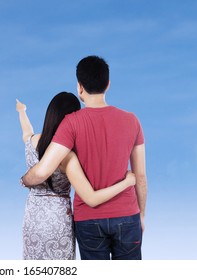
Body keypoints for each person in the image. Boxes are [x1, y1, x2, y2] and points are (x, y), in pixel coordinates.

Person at [20, 56, 148, 260]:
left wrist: (25, 179)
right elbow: (140, 177)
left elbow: (43, 171)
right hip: (127, 215)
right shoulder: (132, 120)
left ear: (80, 87)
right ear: (108, 84)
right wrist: (141, 215)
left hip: (88, 219)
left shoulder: (70, 123)